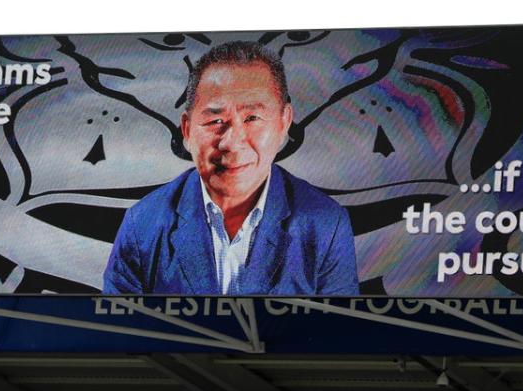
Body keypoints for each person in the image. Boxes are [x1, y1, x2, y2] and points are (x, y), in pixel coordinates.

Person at [103, 41, 358, 295]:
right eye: (215, 121)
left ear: (284, 123)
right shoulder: (143, 225)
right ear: (187, 130)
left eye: (252, 118)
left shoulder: (325, 223)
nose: (232, 142)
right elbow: (119, 333)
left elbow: (338, 333)